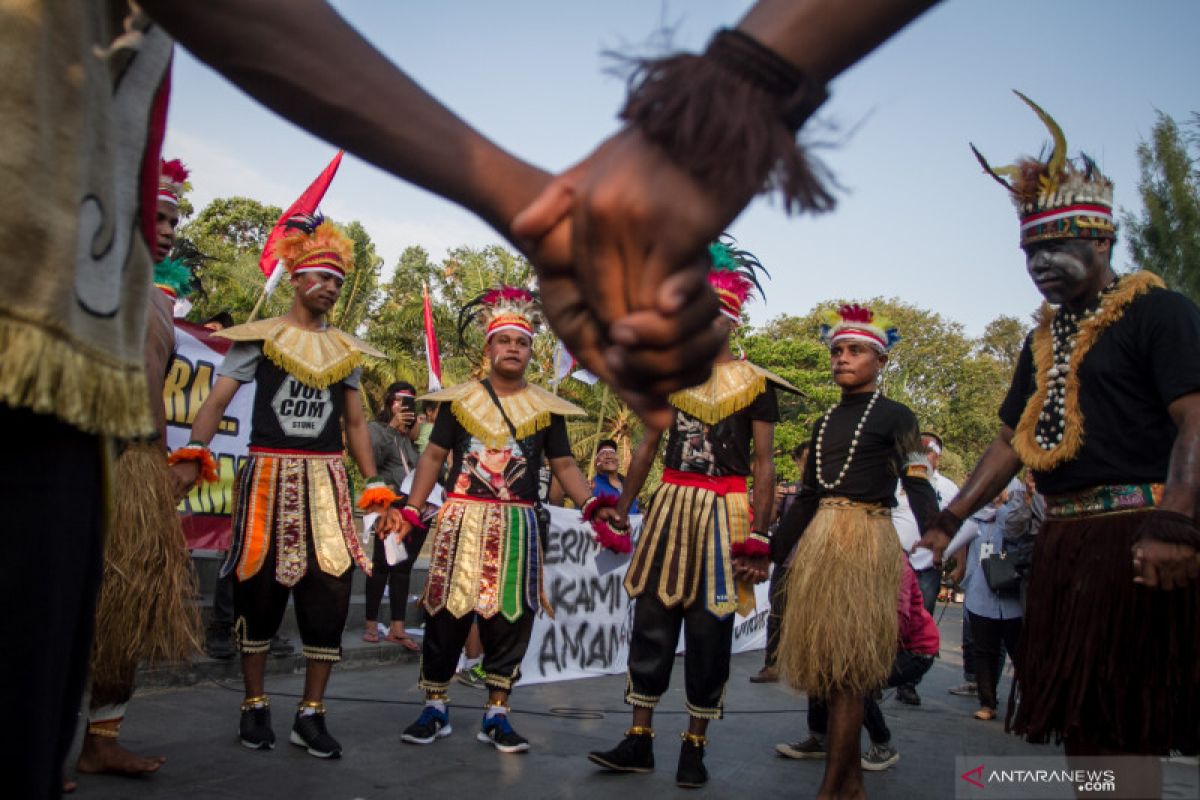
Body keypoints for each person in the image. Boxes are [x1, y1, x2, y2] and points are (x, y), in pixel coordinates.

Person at [918, 92, 1200, 759]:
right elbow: (1011, 441)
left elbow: (1197, 420)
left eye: (1057, 246)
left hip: (1140, 538)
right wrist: (950, 516)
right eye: (1029, 252)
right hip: (1066, 544)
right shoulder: (1041, 338)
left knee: (1126, 722)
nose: (1040, 263)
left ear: (1102, 239)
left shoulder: (1159, 312)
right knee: (1084, 722)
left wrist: (1177, 524)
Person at [169, 213, 397, 759]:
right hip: (266, 476)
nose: (330, 288)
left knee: (331, 594)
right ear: (295, 278)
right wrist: (192, 454)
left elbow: (356, 424)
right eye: (321, 277)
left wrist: (375, 484)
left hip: (326, 482)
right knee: (257, 589)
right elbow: (217, 401)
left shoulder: (345, 350)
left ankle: (311, 714)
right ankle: (254, 705)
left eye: (338, 282)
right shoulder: (260, 339)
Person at [587, 241, 791, 788]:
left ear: (732, 320)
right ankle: (639, 739)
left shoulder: (758, 385)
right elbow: (648, 450)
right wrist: (621, 509)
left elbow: (765, 466)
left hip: (729, 512)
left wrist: (762, 536)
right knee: (651, 625)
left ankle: (695, 746)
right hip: (671, 508)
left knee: (709, 632)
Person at [392, 286, 620, 754]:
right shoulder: (458, 402)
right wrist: (412, 510)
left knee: (509, 619)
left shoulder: (545, 408)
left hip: (518, 526)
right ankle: (436, 706)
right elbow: (434, 456)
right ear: (488, 348)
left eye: (521, 342)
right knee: (447, 615)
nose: (513, 348)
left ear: (531, 352)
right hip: (460, 522)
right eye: (504, 341)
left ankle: (497, 713)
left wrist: (596, 510)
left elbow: (566, 466)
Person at [773, 303, 938, 799]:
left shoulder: (897, 416)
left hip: (866, 541)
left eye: (855, 350)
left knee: (848, 669)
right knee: (827, 669)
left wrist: (937, 530)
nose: (842, 358)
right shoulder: (823, 423)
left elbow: (917, 480)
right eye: (838, 350)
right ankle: (851, 786)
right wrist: (769, 550)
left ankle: (834, 788)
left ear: (881, 360)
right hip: (822, 542)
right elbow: (805, 498)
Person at [74, 160, 203, 779]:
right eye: (156, 216)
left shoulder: (160, 299)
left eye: (175, 218)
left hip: (140, 464)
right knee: (59, 603)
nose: (169, 228)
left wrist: (165, 462)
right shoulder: (88, 274)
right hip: (83, 453)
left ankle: (101, 738)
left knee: (129, 605)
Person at [777, 557, 940, 772]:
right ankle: (820, 739)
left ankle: (883, 747)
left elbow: (898, 621)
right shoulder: (849, 558)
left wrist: (858, 652)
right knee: (821, 665)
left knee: (855, 681)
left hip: (913, 652)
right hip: (871, 645)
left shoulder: (897, 565)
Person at [943, 482, 1024, 721]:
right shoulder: (975, 518)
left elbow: (1017, 532)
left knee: (1020, 652)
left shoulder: (1015, 514)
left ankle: (1031, 702)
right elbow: (958, 541)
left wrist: (1001, 507)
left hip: (1011, 596)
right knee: (983, 650)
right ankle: (987, 702)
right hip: (981, 594)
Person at [890, 431, 958, 704]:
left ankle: (907, 682)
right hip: (895, 562)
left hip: (928, 565)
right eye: (921, 448)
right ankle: (880, 670)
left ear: (938, 457)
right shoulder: (898, 480)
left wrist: (953, 558)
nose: (926, 454)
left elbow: (962, 525)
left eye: (930, 450)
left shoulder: (949, 488)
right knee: (891, 618)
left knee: (918, 619)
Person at [363, 381, 423, 650]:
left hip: (411, 508)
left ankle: (397, 626)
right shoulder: (377, 429)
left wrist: (413, 434)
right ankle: (371, 622)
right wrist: (391, 428)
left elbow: (417, 468)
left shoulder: (408, 438)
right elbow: (371, 459)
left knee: (403, 567)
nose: (403, 406)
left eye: (409, 401)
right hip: (387, 507)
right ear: (389, 402)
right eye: (399, 400)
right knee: (381, 565)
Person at [751, 441, 810, 684]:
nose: (808, 464)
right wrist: (774, 500)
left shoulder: (827, 494)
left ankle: (807, 668)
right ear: (797, 462)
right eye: (804, 459)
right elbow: (773, 519)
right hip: (787, 563)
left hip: (814, 565)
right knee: (777, 614)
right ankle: (772, 664)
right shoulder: (788, 491)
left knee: (810, 617)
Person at [592, 438, 639, 514]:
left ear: (618, 460)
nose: (609, 456)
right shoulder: (591, 487)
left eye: (612, 452)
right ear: (596, 461)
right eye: (603, 453)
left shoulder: (629, 486)